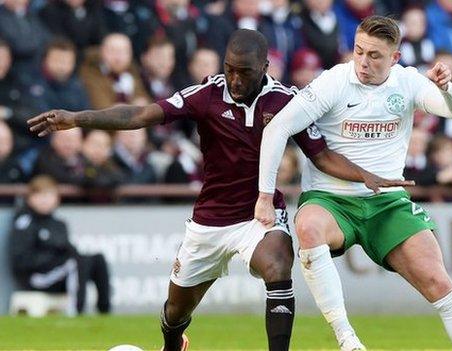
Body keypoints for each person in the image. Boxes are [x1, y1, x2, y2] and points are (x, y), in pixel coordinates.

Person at [28, 29, 407, 351]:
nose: (235, 80)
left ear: (265, 68)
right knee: (176, 312)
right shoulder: (205, 95)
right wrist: (78, 118)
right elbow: (142, 114)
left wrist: (365, 175)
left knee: (278, 264)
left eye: (244, 72)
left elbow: (321, 156)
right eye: (229, 70)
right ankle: (172, 344)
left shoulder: (287, 102)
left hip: (259, 216)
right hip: (209, 221)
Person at [255, 16, 452, 351]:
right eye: (359, 51)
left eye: (375, 55)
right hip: (331, 198)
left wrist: (446, 88)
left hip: (387, 202)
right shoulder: (333, 82)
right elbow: (277, 127)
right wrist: (265, 196)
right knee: (307, 226)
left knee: (439, 283)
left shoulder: (407, 82)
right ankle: (347, 338)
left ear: (395, 58)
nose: (363, 62)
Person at [8, 175, 111, 315]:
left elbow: (68, 249)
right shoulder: (25, 223)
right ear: (30, 198)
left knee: (97, 259)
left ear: (57, 199)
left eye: (49, 195)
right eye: (40, 195)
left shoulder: (58, 224)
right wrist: (52, 255)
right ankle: (76, 311)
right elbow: (20, 260)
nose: (45, 200)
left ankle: (104, 310)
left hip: (60, 274)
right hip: (37, 277)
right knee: (73, 263)